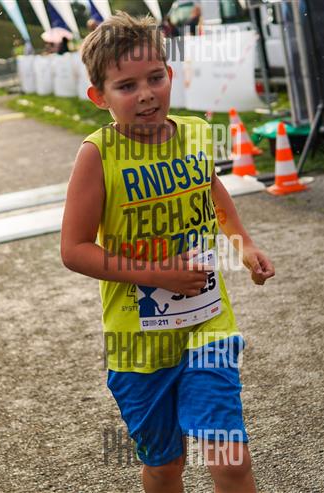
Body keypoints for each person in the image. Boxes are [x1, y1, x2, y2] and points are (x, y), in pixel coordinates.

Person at [60, 12, 273, 493]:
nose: (146, 94)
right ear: (99, 96)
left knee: (231, 460)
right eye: (126, 86)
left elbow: (211, 190)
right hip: (137, 346)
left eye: (155, 78)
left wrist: (244, 244)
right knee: (164, 466)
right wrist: (157, 273)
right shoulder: (98, 155)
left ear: (170, 75)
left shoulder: (195, 133)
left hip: (208, 324)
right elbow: (73, 250)